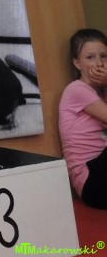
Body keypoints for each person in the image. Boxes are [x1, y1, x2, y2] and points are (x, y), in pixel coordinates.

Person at [58, 28, 107, 209]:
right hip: (92, 182)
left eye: (104, 56)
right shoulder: (76, 89)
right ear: (77, 63)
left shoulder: (103, 90)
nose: (99, 63)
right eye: (90, 57)